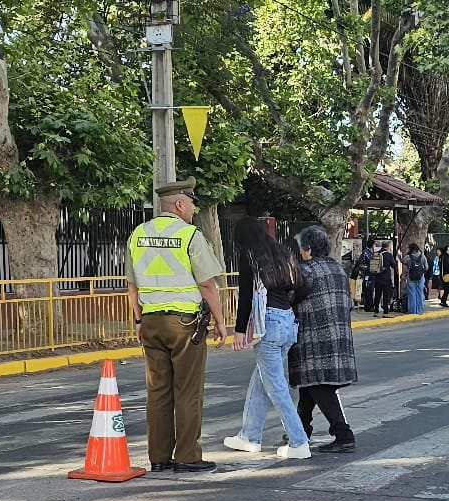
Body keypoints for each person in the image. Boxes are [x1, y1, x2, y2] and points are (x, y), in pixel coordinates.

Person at [127, 177, 229, 472]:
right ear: (180, 204)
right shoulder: (189, 236)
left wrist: (138, 320)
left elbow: (132, 286)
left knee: (158, 391)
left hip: (151, 322)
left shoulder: (138, 234)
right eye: (193, 204)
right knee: (187, 390)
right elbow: (207, 284)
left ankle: (159, 458)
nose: (194, 210)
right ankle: (187, 456)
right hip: (185, 324)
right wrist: (221, 321)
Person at [224, 217, 311, 459]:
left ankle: (299, 442)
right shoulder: (282, 252)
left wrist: (240, 330)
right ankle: (249, 436)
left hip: (268, 324)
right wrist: (287, 304)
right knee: (262, 381)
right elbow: (304, 287)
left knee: (276, 387)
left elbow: (246, 296)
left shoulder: (249, 256)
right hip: (287, 322)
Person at [288, 226, 358, 453]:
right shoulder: (338, 269)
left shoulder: (305, 271)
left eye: (302, 249)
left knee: (318, 384)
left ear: (308, 249)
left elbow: (289, 299)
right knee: (311, 384)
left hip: (314, 338)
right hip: (339, 335)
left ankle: (343, 434)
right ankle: (300, 430)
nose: (300, 253)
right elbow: (349, 303)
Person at [402, 243, 428, 315]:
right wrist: (421, 271)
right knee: (420, 293)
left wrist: (399, 255)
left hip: (411, 277)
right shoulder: (422, 257)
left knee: (411, 294)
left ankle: (412, 311)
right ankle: (420, 311)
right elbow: (426, 267)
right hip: (420, 277)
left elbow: (403, 261)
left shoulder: (408, 257)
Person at [373, 241, 397, 316]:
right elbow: (394, 265)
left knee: (377, 295)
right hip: (386, 278)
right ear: (388, 246)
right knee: (386, 295)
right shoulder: (389, 255)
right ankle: (385, 312)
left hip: (377, 277)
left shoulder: (376, 254)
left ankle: (376, 311)